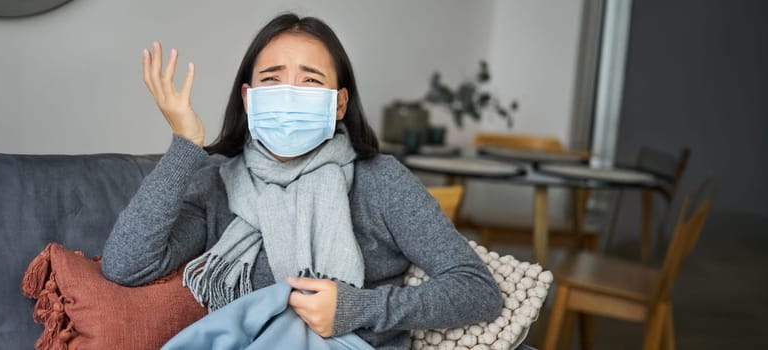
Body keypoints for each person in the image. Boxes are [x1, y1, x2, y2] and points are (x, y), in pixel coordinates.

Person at [102, 13, 503, 349]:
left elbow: (475, 289)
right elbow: (126, 265)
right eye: (272, 80)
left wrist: (358, 308)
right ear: (248, 97)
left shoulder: (380, 181)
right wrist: (186, 145)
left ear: (339, 102)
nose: (290, 94)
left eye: (310, 80)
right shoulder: (218, 184)